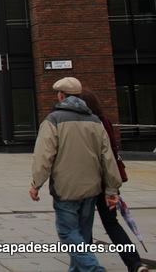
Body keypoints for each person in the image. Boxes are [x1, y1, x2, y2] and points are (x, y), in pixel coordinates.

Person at [30, 77, 122, 272]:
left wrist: (36, 183)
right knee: (82, 233)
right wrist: (112, 188)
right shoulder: (95, 121)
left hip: (66, 188)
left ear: (61, 96)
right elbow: (108, 157)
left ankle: (94, 269)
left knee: (67, 233)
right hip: (92, 189)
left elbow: (44, 156)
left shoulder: (53, 120)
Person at [79, 91, 148, 272]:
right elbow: (111, 152)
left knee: (84, 224)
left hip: (87, 181)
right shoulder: (105, 122)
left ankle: (87, 265)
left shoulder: (83, 124)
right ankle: (135, 263)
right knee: (112, 223)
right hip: (107, 180)